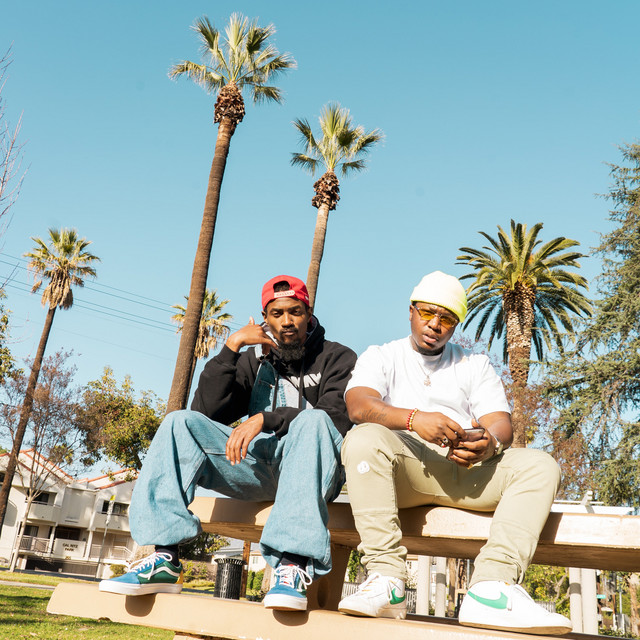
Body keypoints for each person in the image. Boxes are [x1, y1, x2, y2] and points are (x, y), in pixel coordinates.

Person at [99, 275, 357, 612]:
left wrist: (267, 419)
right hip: (256, 469)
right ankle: (164, 557)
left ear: (308, 314)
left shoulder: (338, 357)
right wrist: (232, 347)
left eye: (295, 312)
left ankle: (292, 565)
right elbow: (204, 413)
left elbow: (337, 419)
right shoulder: (253, 360)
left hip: (313, 472)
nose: (287, 321)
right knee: (179, 422)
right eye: (277, 314)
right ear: (265, 318)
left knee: (315, 420)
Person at [337, 271, 572, 635]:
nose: (435, 324)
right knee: (363, 438)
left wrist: (489, 443)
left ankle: (491, 589)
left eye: (446, 318)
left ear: (455, 324)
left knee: (540, 465)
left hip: (464, 471)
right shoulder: (382, 355)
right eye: (427, 312)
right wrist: (415, 419)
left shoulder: (474, 364)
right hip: (403, 473)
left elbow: (500, 423)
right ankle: (387, 580)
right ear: (411, 311)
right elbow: (358, 405)